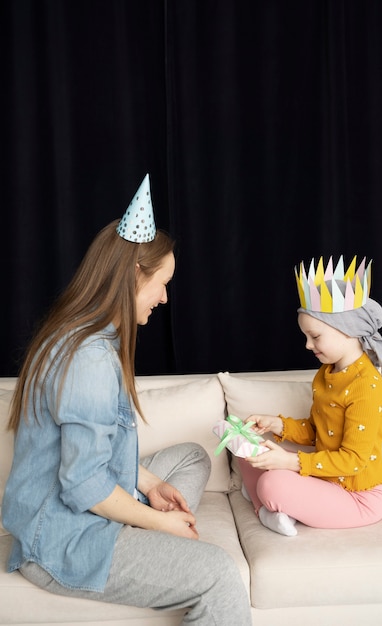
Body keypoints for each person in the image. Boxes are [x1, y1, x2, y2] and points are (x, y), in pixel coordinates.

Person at [2, 174, 252, 625]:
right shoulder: (89, 358)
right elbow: (82, 484)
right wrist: (160, 522)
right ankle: (148, 533)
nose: (165, 297)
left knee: (193, 458)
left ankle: (142, 521)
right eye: (162, 283)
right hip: (64, 537)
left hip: (83, 506)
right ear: (136, 273)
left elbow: (94, 452)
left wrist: (152, 488)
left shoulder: (89, 336)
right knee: (218, 573)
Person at [238, 255, 382, 537]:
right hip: (325, 479)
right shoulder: (326, 373)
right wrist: (277, 425)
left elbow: (354, 460)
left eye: (315, 336)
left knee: (272, 484)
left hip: (357, 497)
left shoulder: (367, 386)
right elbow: (315, 430)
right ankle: (269, 505)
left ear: (347, 331)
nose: (308, 345)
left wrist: (291, 463)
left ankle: (265, 505)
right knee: (246, 448)